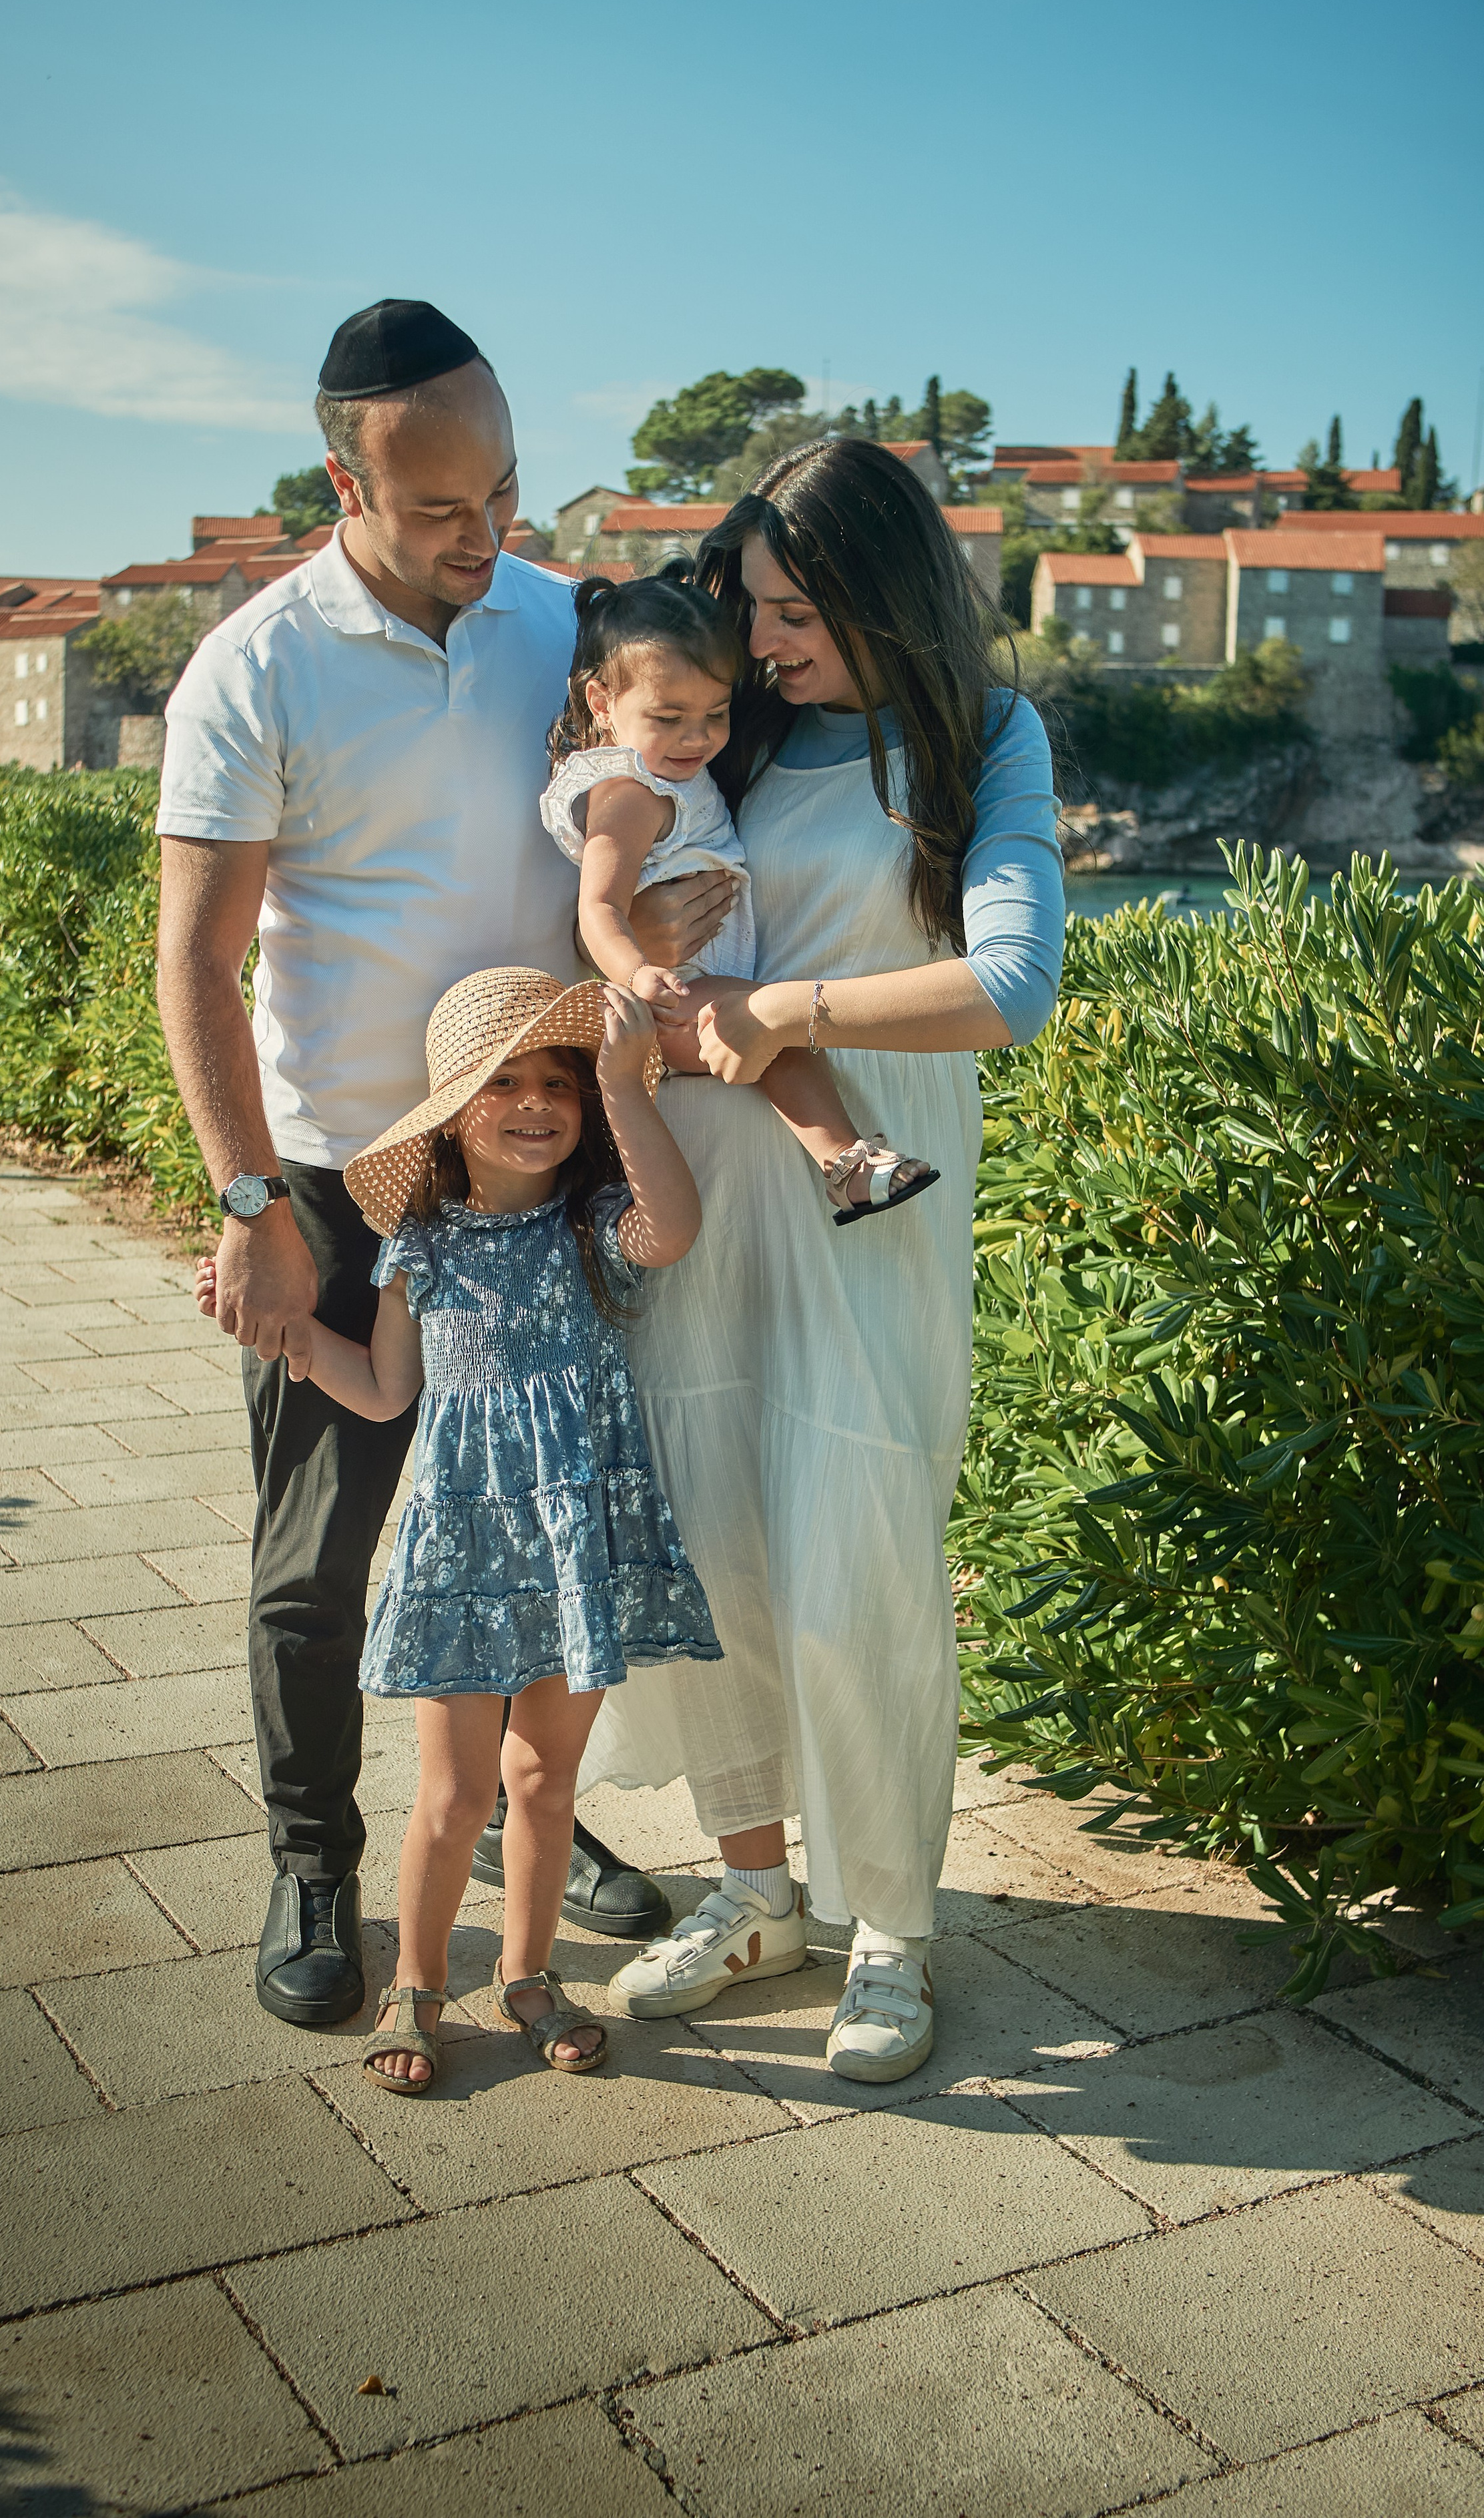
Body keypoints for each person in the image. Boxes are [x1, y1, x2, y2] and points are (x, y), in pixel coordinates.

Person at [155, 298, 670, 2037]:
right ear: (344, 481)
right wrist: (250, 1210)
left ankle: (537, 1804)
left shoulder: (558, 626)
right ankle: (316, 1860)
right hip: (330, 1179)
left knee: (539, 1518)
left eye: (508, 491)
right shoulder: (254, 668)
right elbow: (196, 961)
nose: (488, 535)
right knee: (319, 1560)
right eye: (445, 509)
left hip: (533, 1168)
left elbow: (650, 803)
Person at [580, 436, 1067, 2083]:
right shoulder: (732, 730)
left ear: (877, 591)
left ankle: (889, 1928)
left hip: (874, 1188)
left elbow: (1007, 984)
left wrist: (784, 1010)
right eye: (752, 606)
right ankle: (750, 1887)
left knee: (859, 1563)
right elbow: (626, 896)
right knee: (712, 1541)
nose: (762, 639)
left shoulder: (982, 738)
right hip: (705, 1187)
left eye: (793, 608)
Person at [194, 968, 719, 2093]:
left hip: (577, 1540)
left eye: (556, 1082)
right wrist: (285, 1337)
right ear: (450, 1109)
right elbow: (385, 1392)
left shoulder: (594, 1223)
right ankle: (418, 1984)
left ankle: (529, 1976)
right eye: (503, 1082)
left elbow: (675, 1228)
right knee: (454, 1793)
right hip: (467, 1549)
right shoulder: (420, 1245)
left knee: (545, 1783)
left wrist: (627, 1081)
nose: (536, 1101)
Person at [540, 569, 937, 1225]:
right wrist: (639, 972)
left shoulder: (668, 768)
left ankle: (852, 1165)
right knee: (778, 1035)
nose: (697, 738)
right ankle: (850, 1167)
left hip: (686, 983)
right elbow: (599, 907)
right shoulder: (629, 792)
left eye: (715, 715)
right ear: (602, 702)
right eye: (670, 719)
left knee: (777, 1034)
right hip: (663, 1000)